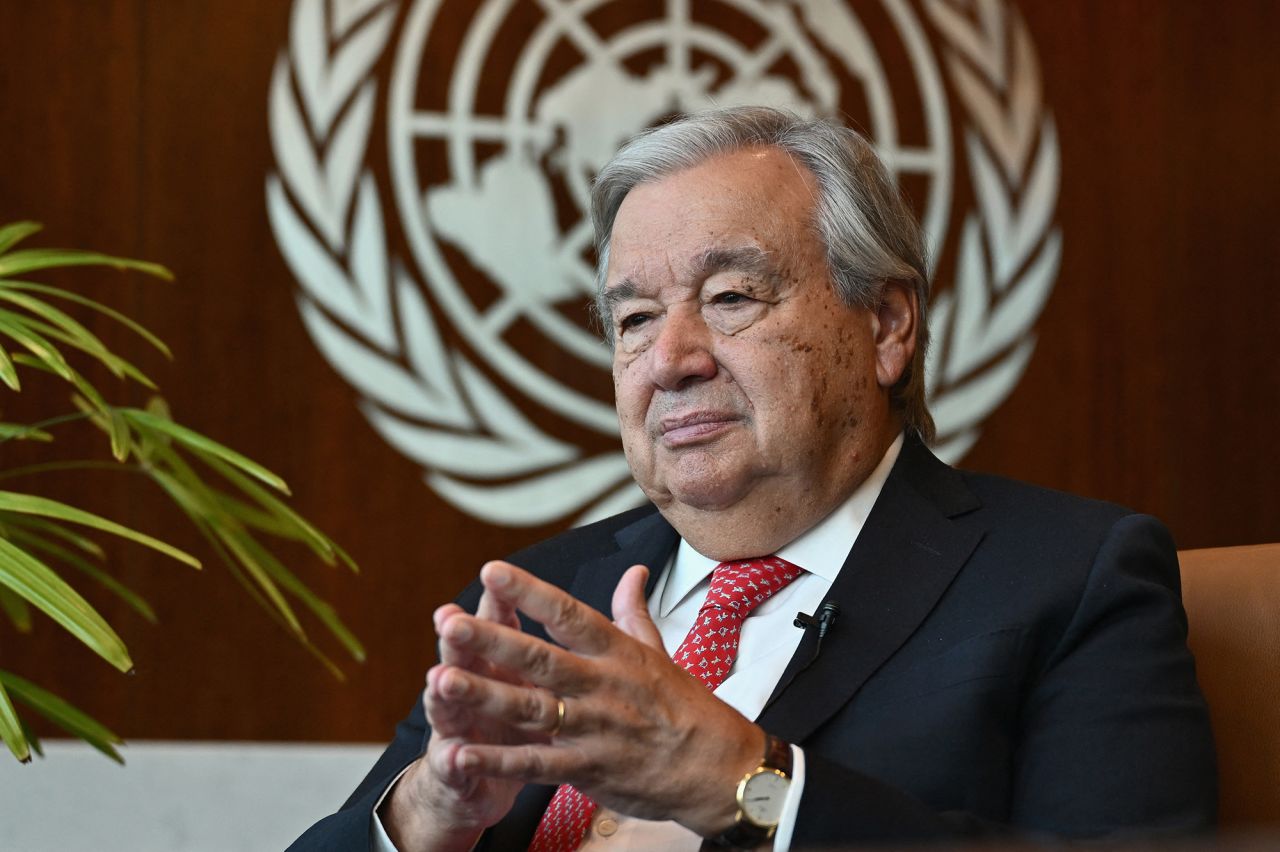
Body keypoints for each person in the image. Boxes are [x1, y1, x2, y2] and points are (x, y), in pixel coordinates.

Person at [290, 107, 1216, 851]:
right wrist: (421, 820)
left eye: (731, 298)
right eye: (636, 320)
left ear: (887, 325)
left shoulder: (1071, 581)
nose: (672, 359)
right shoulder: (537, 600)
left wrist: (747, 787)